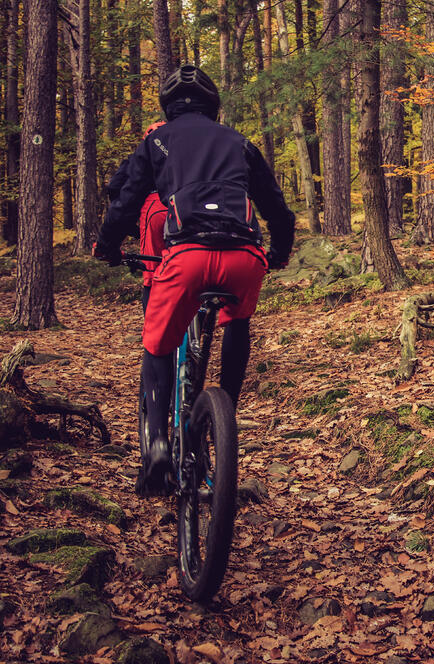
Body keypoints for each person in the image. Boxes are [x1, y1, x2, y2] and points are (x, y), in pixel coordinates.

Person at [93, 65, 295, 496]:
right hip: (244, 257)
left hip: (187, 258)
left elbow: (125, 200)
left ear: (168, 108)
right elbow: (277, 209)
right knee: (237, 321)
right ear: (213, 106)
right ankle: (225, 419)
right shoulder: (239, 142)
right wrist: (278, 254)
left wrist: (107, 246)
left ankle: (159, 443)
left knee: (158, 345)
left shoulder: (158, 140)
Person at [107, 121, 169, 309]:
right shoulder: (185, 156)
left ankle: (152, 334)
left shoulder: (138, 158)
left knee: (151, 276)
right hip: (185, 209)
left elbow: (114, 187)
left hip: (153, 212)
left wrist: (131, 227)